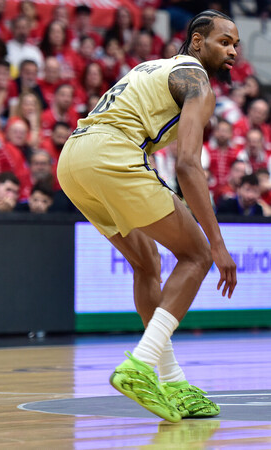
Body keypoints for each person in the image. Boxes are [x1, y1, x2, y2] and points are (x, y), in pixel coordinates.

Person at [56, 10, 238, 423]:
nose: (232, 51)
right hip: (112, 153)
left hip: (73, 158)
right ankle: (139, 364)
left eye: (235, 45)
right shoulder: (198, 82)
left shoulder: (153, 66)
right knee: (197, 256)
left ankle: (170, 378)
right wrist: (218, 243)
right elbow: (189, 165)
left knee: (147, 263)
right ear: (196, 41)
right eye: (223, 41)